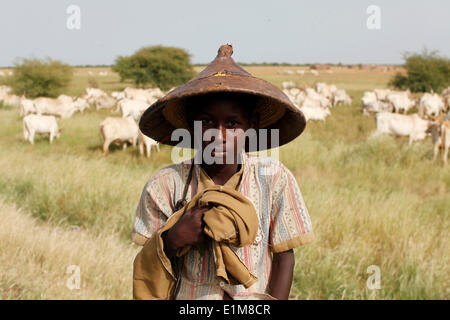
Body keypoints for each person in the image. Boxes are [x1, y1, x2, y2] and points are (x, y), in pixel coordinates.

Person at [131, 44, 314, 300]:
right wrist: (172, 239)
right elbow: (148, 261)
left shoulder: (274, 179)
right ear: (191, 126)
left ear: (252, 126)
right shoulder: (166, 185)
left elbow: (285, 259)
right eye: (206, 122)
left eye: (232, 123)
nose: (219, 135)